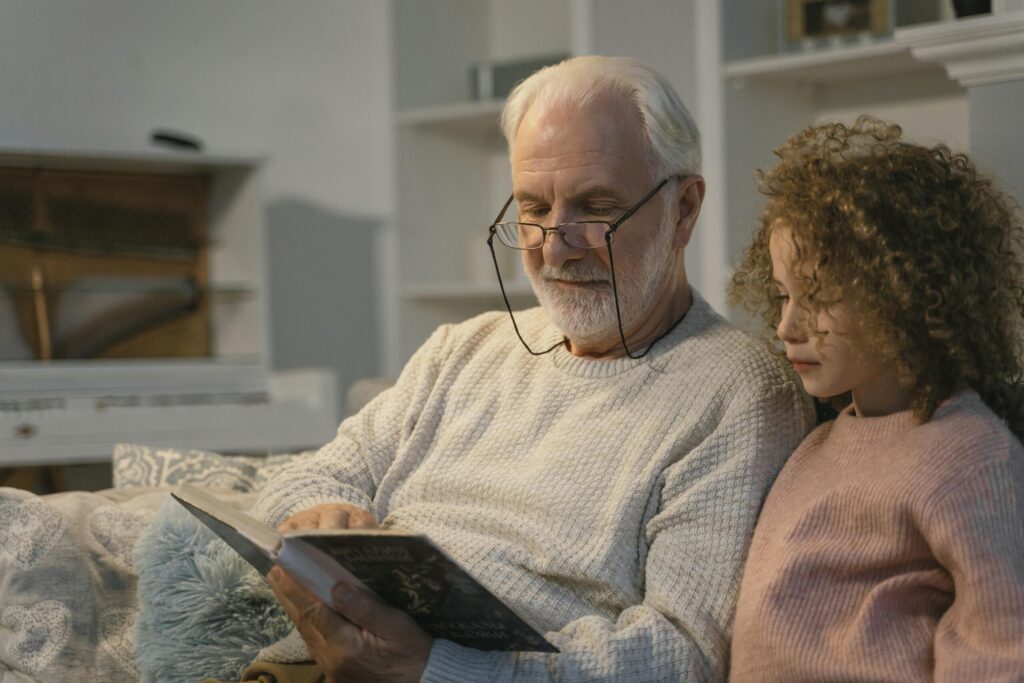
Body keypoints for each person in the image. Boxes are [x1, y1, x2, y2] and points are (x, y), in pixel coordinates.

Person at [254, 56, 813, 682]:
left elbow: (683, 653)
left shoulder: (741, 393)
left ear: (683, 209)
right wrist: (326, 512)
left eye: (594, 207)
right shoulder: (462, 349)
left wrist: (437, 671)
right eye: (533, 208)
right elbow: (308, 477)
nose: (554, 244)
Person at [728, 116, 1024, 681]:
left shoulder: (969, 456)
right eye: (784, 295)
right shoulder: (814, 445)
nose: (785, 326)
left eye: (816, 297)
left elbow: (1002, 651)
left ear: (905, 295)